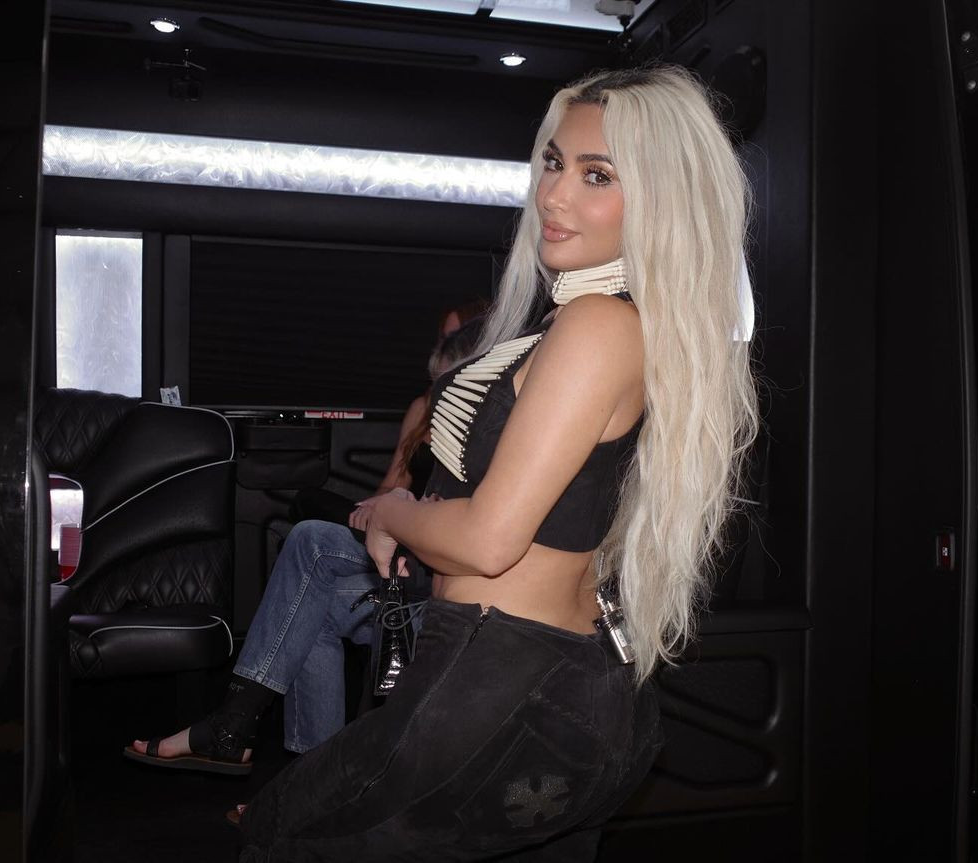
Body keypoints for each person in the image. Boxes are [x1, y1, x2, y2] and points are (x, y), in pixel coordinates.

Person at [233, 64, 759, 861]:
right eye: (554, 163)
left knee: (281, 833)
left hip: (507, 682)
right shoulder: (604, 322)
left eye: (597, 176)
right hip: (533, 682)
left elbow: (488, 539)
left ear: (659, 199)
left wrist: (391, 512)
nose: (554, 195)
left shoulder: (598, 326)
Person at [124, 318, 484, 772]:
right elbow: (402, 495)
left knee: (311, 542)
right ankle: (310, 776)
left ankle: (239, 729)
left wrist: (404, 517)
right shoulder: (436, 415)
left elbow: (469, 535)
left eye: (448, 378)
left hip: (447, 584)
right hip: (413, 557)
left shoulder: (495, 432)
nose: (439, 390)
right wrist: (388, 510)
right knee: (311, 603)